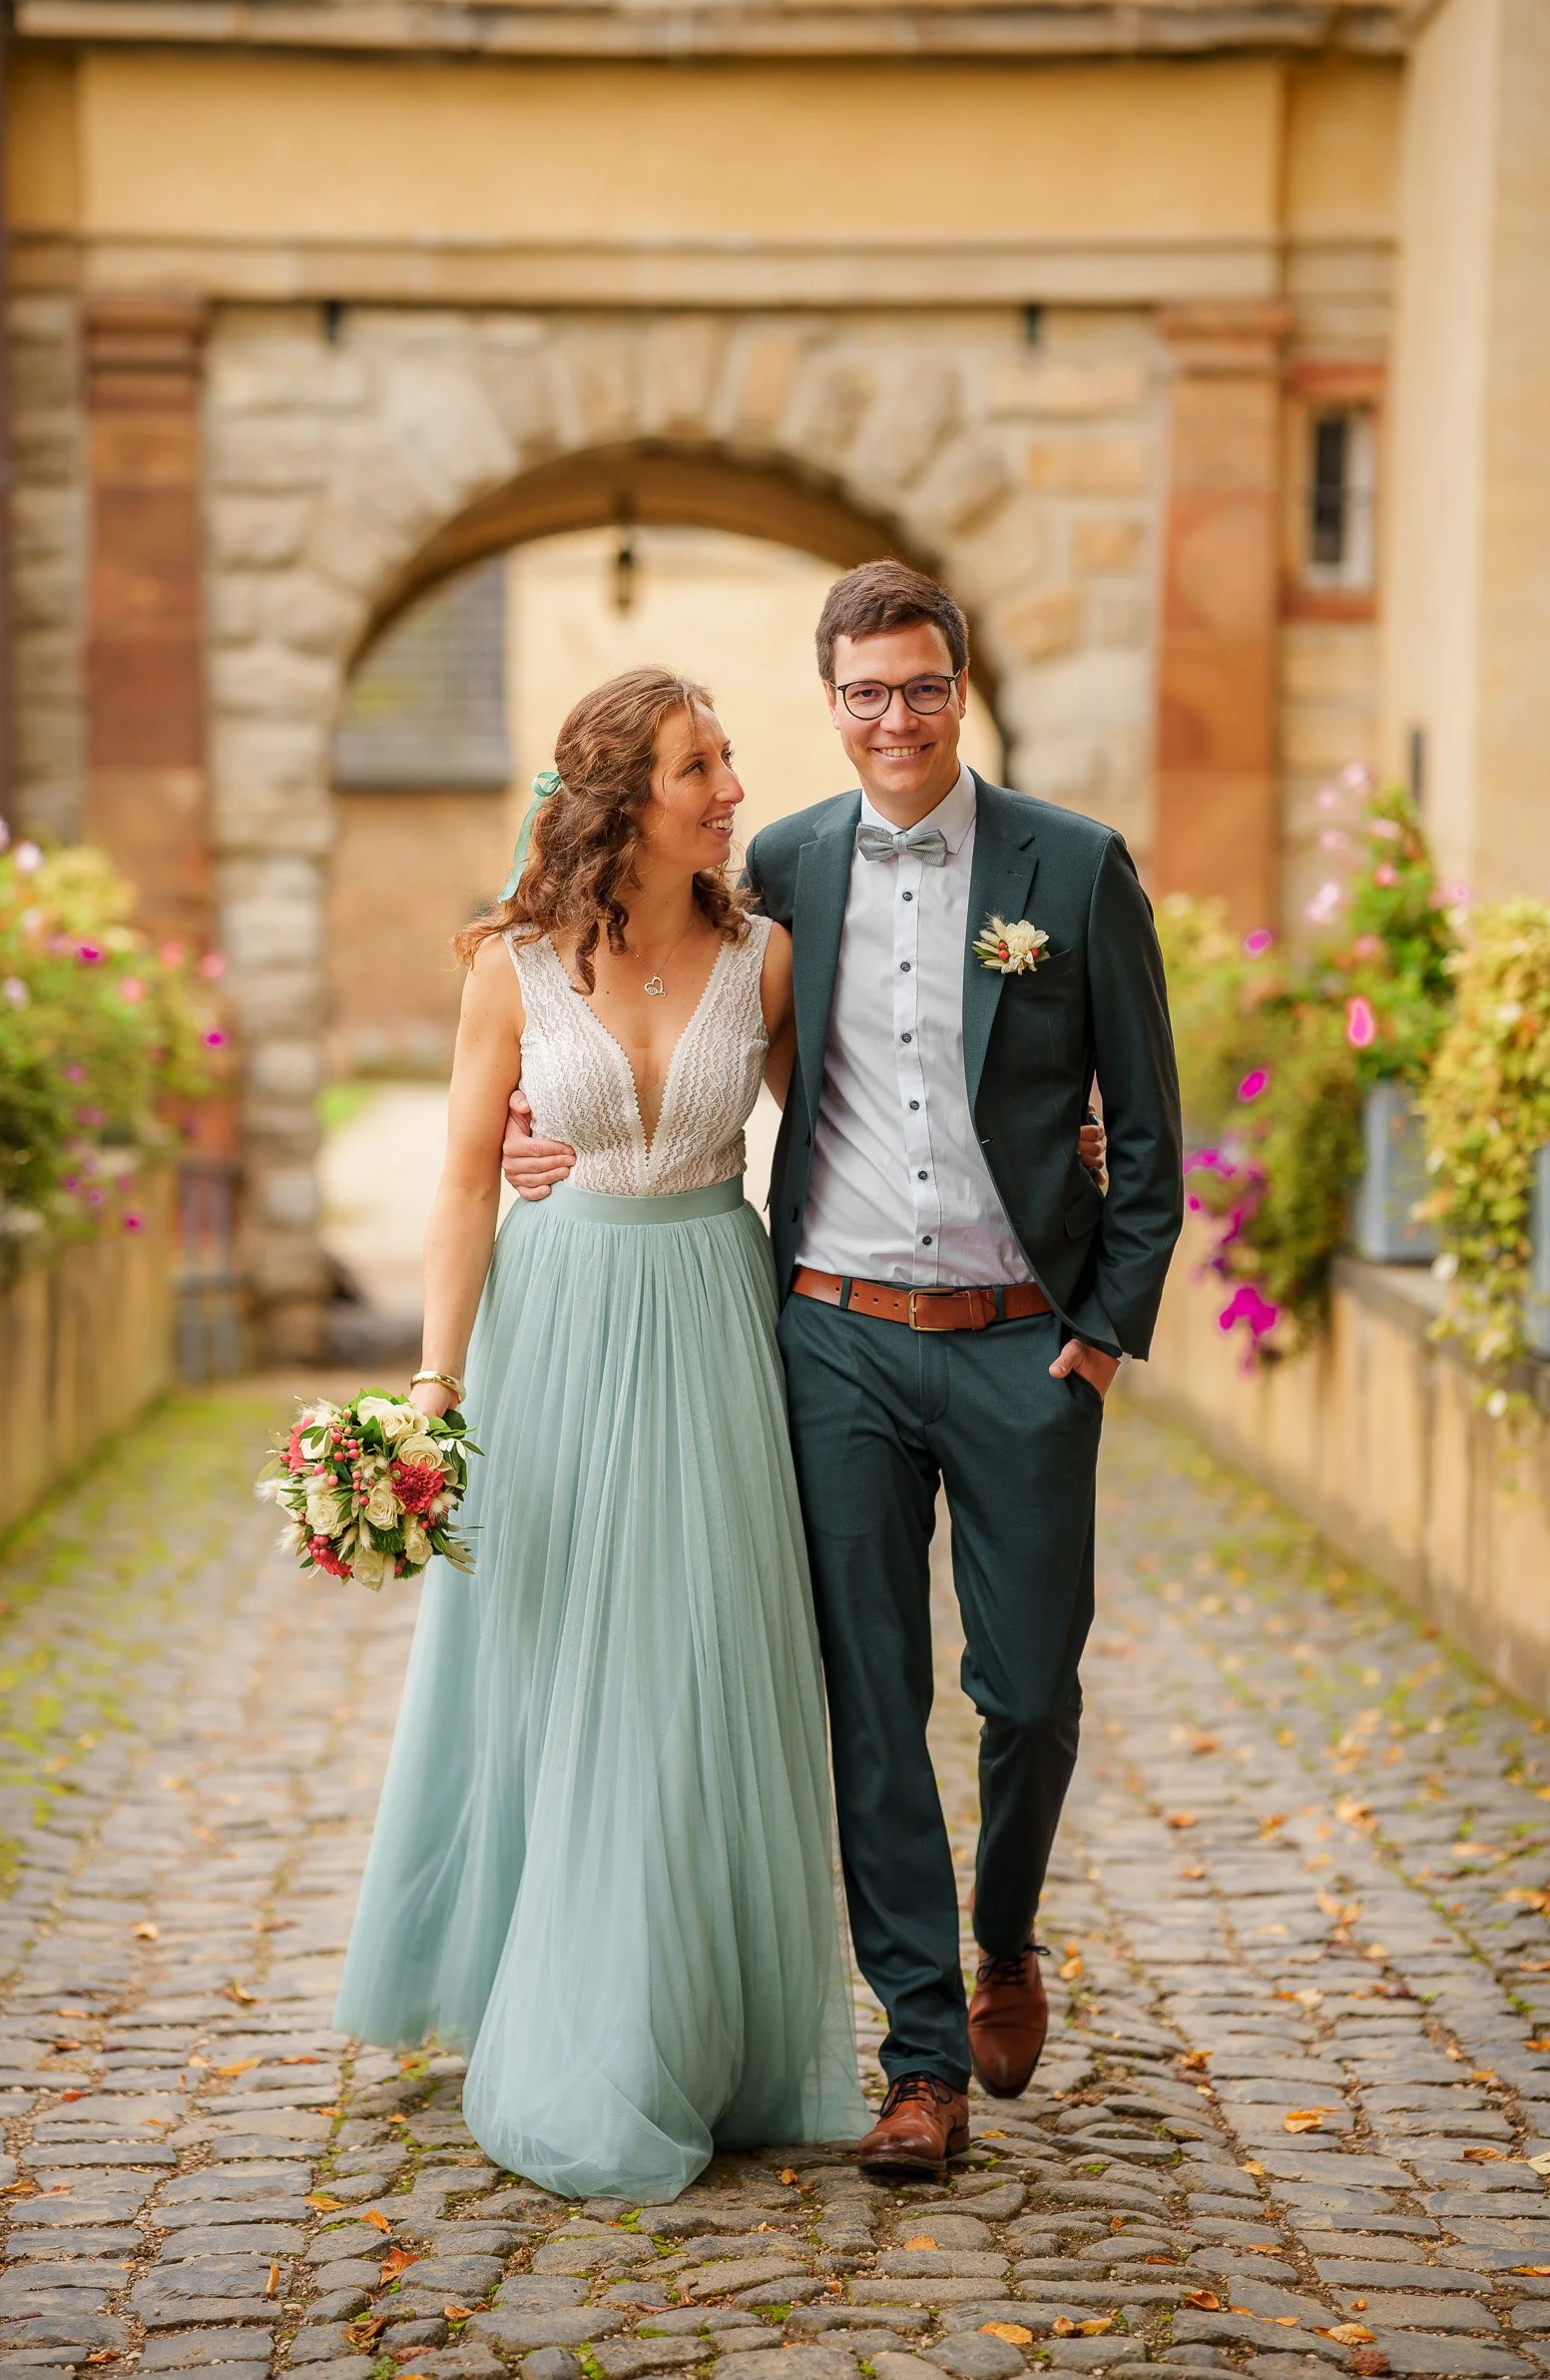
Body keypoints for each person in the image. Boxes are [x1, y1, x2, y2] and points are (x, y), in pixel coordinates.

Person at [504, 561, 1183, 2180]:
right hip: (832, 1339)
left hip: (1026, 1344)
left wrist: (1098, 1336)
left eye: (922, 685)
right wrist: (550, 1126)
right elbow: (617, 971)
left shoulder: (1073, 870)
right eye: (865, 691)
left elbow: (1149, 1132)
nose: (895, 716)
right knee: (869, 1705)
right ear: (832, 701)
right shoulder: (783, 865)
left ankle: (1005, 1928)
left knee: (1025, 1692)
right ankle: (920, 2057)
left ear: (961, 692)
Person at [333, 665, 866, 2200]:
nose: (730, 788)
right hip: (552, 1333)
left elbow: (853, 1118)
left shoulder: (763, 956)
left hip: (709, 1322)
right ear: (626, 797)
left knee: (689, 1667)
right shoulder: (511, 965)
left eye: (726, 761)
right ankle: (558, 2001)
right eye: (701, 765)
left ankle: (682, 2023)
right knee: (559, 1661)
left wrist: (1059, 1127)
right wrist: (434, 1388)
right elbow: (455, 1180)